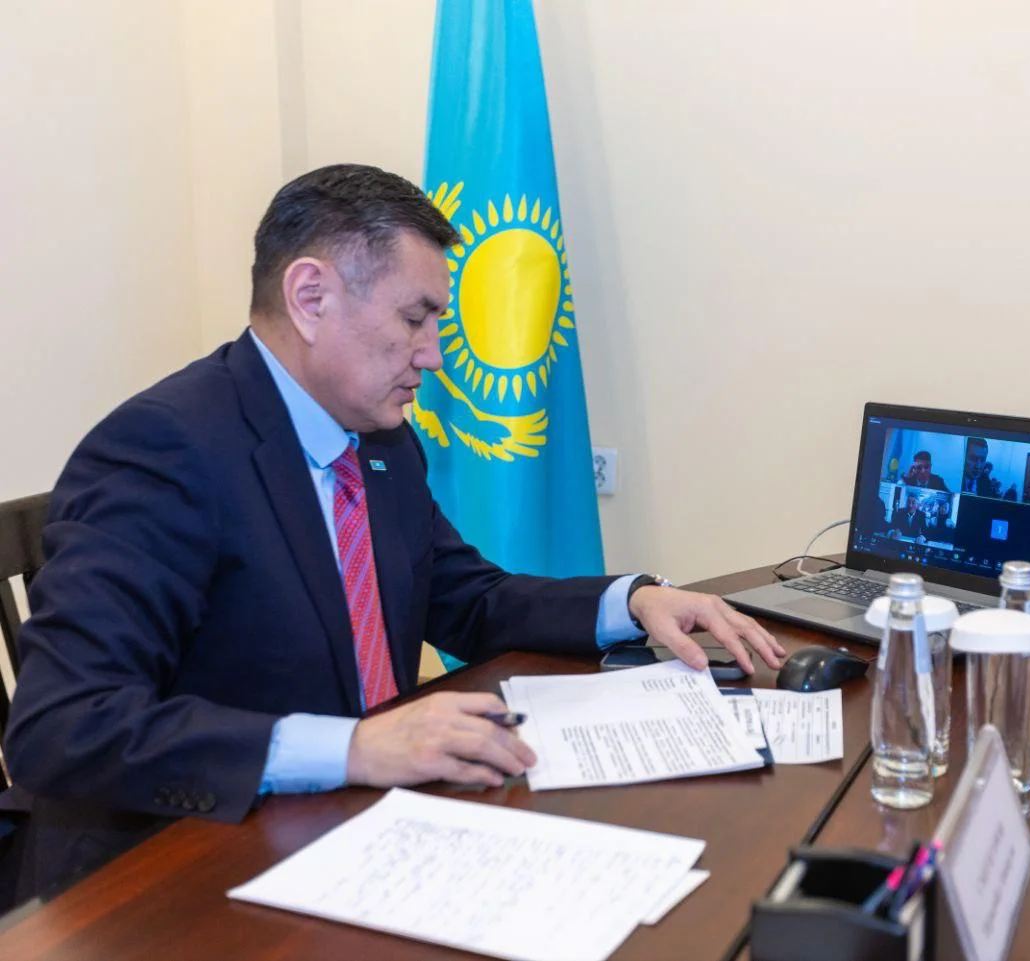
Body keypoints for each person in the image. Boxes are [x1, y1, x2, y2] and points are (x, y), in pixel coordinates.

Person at [0, 164, 786, 900]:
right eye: (416, 318)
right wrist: (354, 746)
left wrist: (632, 600)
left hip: (348, 832)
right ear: (310, 296)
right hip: (172, 872)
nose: (434, 356)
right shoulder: (163, 450)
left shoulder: (379, 442)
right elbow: (63, 723)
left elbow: (466, 599)